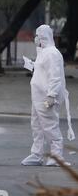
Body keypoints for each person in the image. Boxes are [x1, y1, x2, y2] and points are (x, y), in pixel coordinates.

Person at [21, 25, 75, 166]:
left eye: (37, 35)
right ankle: (36, 154)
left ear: (43, 37)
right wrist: (31, 66)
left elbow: (55, 76)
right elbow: (42, 72)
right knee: (37, 125)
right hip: (38, 96)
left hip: (47, 97)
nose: (35, 38)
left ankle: (56, 157)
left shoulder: (52, 53)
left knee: (50, 126)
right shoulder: (44, 52)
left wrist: (51, 95)